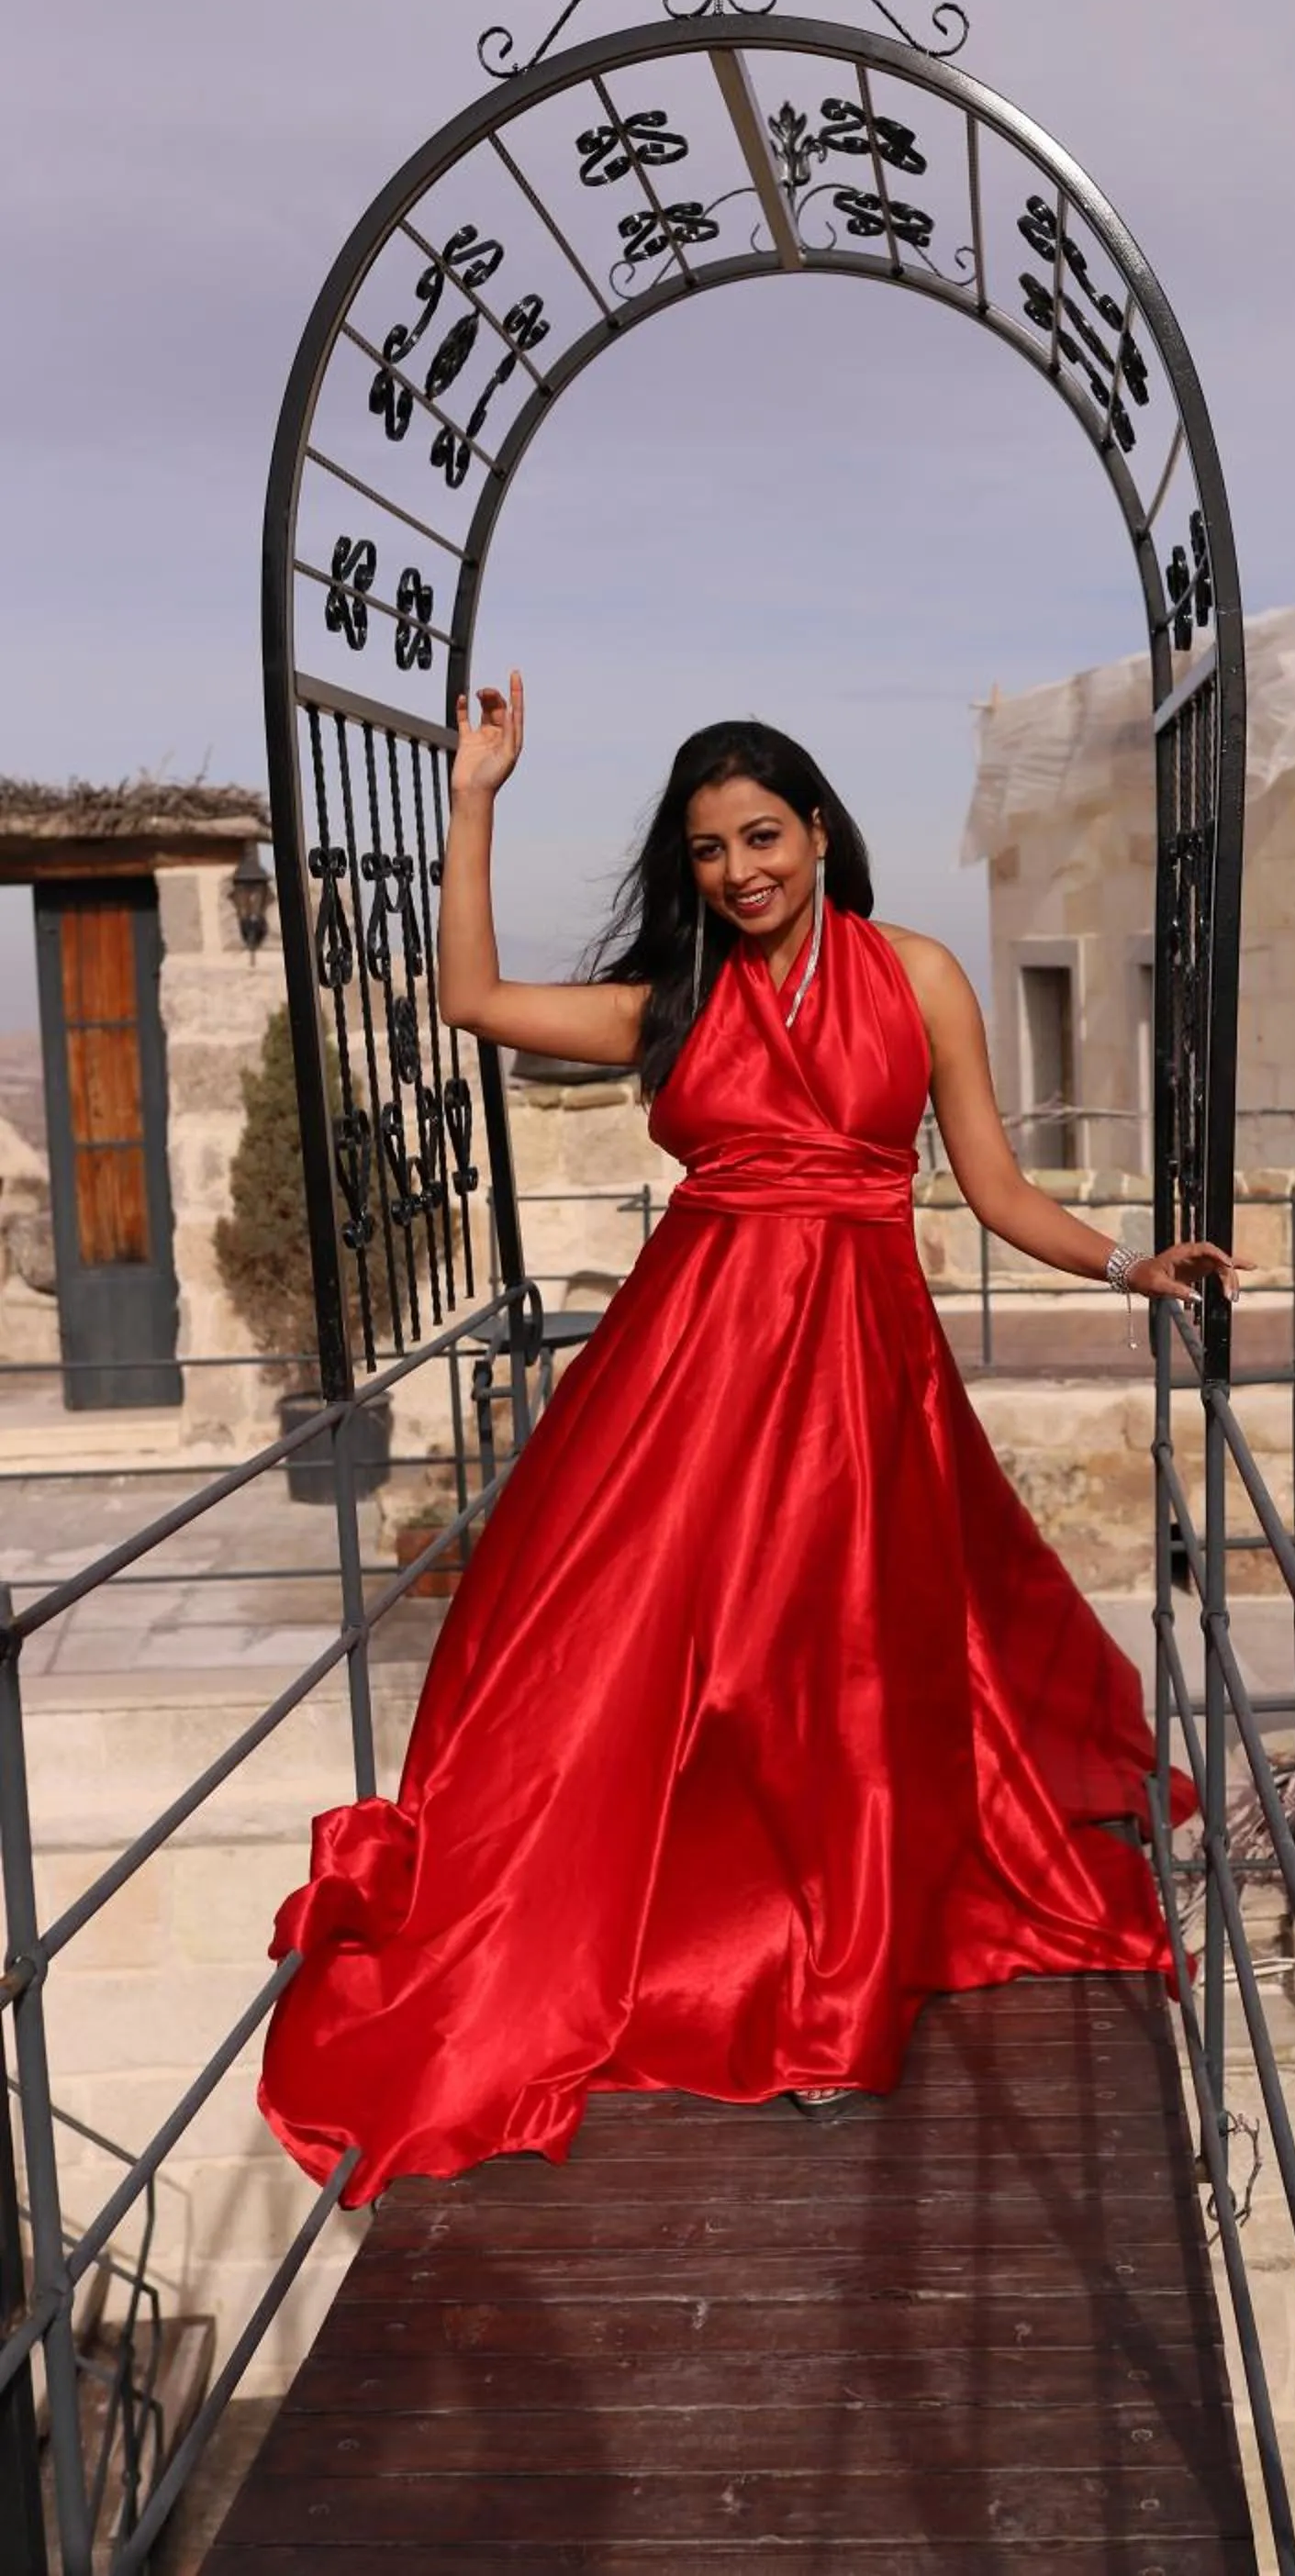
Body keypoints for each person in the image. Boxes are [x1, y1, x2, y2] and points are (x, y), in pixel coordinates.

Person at [259, 674, 1241, 2202]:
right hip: (686, 1369)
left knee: (832, 1672)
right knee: (645, 1661)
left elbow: (992, 1189)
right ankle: (676, 1944)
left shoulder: (915, 974)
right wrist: (473, 800)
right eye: (710, 849)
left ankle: (832, 1988)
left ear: (822, 829)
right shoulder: (677, 998)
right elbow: (472, 1000)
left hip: (859, 1373)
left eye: (763, 835)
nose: (741, 870)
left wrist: (1132, 1262)